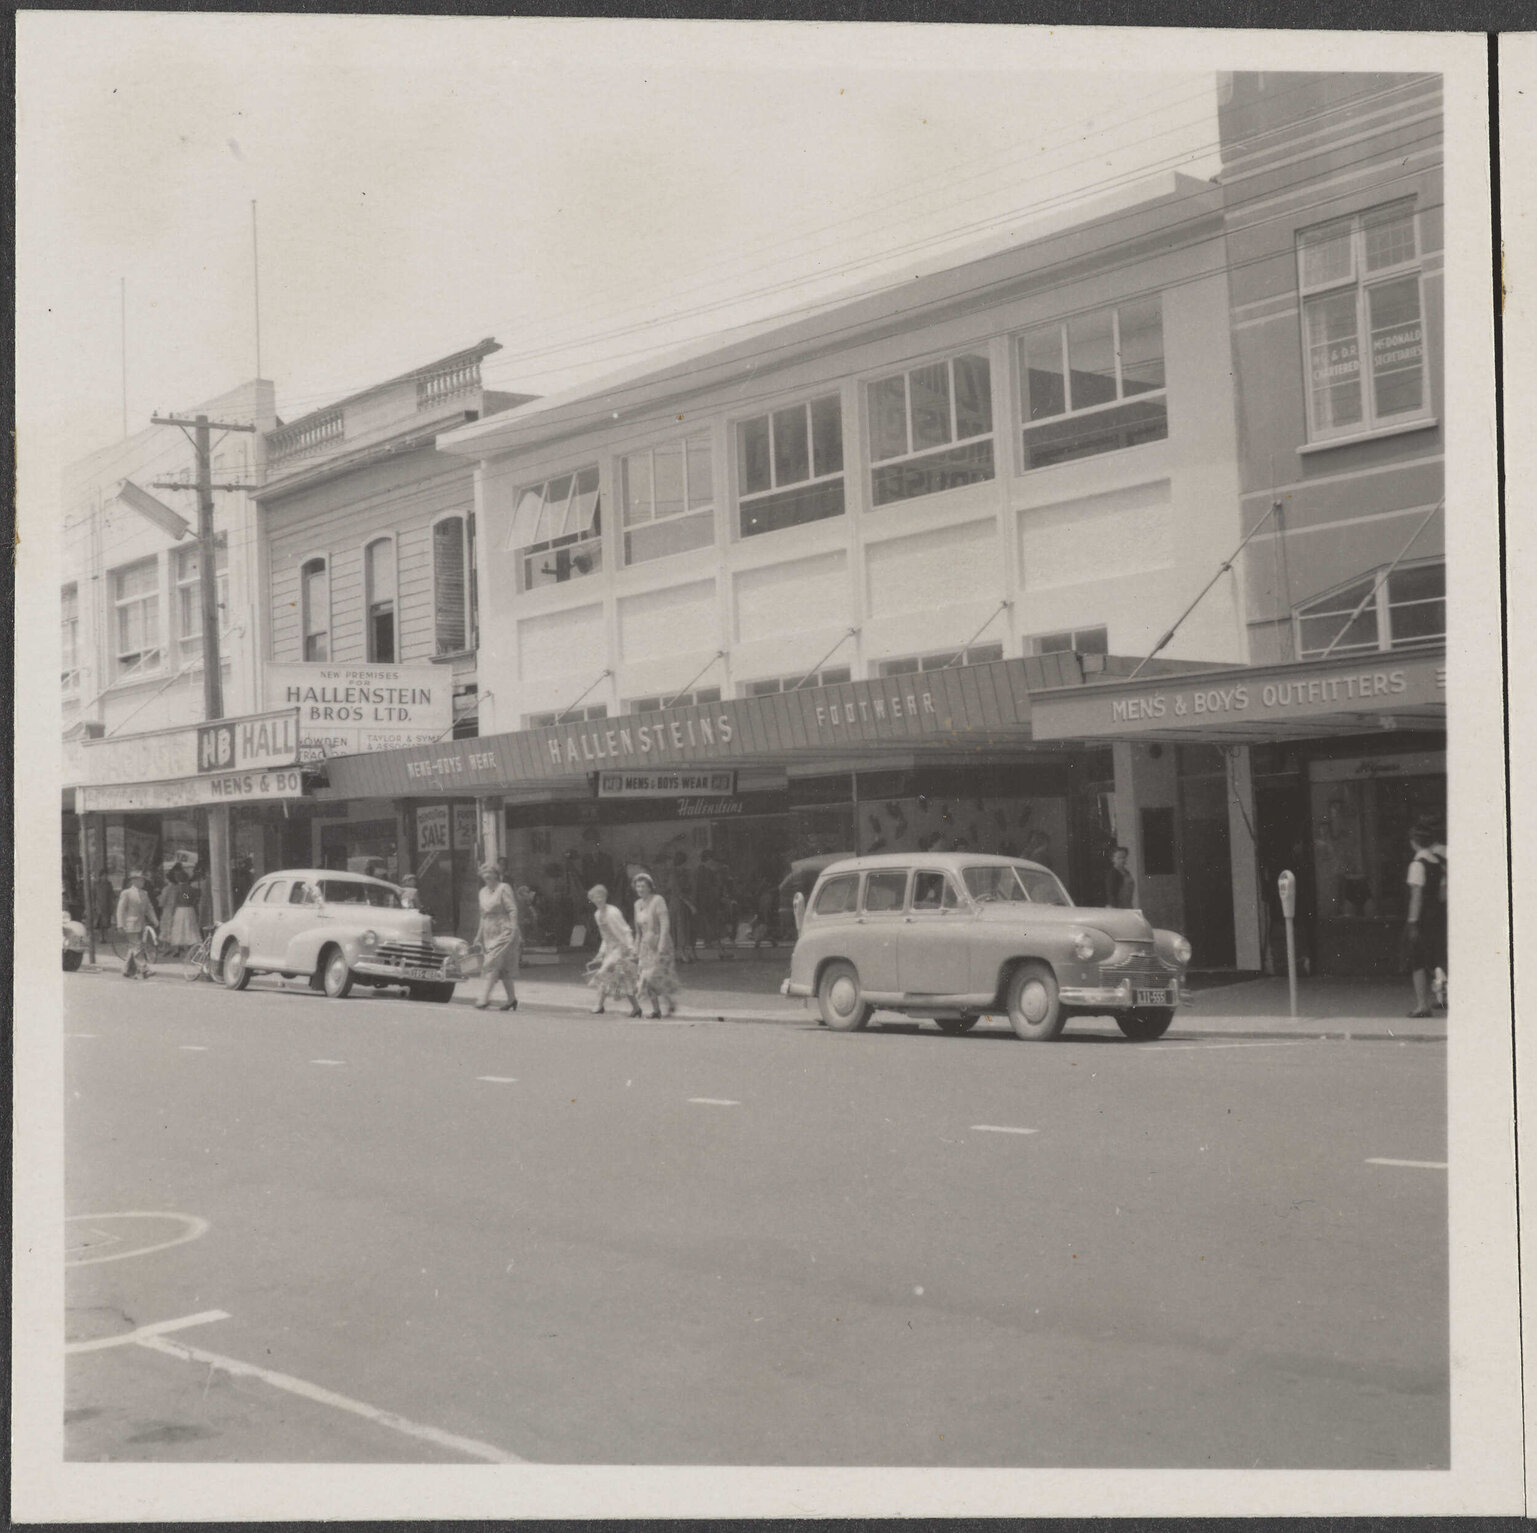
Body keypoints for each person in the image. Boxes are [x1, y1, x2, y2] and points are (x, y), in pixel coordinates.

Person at [1404, 820, 1448, 1018]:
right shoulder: (1438, 862)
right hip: (1438, 914)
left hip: (1422, 917)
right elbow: (1442, 892)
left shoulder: (1417, 864)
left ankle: (1422, 1005)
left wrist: (1412, 921)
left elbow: (1416, 896)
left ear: (1414, 842)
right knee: (1438, 956)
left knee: (1418, 959)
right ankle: (1444, 997)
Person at [471, 862, 520, 1011]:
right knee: (503, 967)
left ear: (496, 874)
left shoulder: (503, 888)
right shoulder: (482, 892)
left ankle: (484, 998)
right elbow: (482, 915)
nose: (487, 875)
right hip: (488, 931)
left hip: (504, 928)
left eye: (490, 872)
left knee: (491, 963)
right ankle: (512, 999)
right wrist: (478, 936)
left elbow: (512, 910)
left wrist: (513, 929)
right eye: (484, 872)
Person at [585, 884, 641, 1016]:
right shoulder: (597, 914)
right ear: (591, 899)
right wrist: (601, 952)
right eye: (595, 897)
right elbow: (605, 935)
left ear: (605, 897)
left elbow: (625, 930)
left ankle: (599, 1005)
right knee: (621, 978)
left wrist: (631, 948)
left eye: (601, 896)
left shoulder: (613, 912)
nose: (598, 900)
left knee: (604, 973)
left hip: (621, 949)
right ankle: (636, 1008)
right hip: (611, 949)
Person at [632, 870, 680, 1018]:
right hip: (645, 947)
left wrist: (661, 944)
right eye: (638, 886)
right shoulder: (637, 904)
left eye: (643, 886)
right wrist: (636, 946)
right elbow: (638, 930)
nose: (640, 889)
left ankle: (669, 1002)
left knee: (655, 977)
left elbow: (665, 924)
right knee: (647, 979)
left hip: (660, 943)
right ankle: (656, 1010)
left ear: (650, 887)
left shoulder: (658, 900)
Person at [115, 870, 158, 979]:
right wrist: (120, 924)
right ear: (134, 881)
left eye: (143, 879)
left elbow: (149, 908)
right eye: (140, 879)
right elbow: (120, 910)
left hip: (141, 924)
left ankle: (127, 970)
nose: (143, 881)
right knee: (137, 946)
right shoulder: (126, 893)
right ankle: (144, 969)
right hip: (131, 924)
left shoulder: (145, 893)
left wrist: (154, 920)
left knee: (134, 947)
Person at [163, 864, 200, 953]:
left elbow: (183, 898)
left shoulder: (179, 889)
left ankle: (179, 948)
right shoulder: (191, 888)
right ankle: (188, 946)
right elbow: (194, 898)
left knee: (180, 927)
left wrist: (184, 898)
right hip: (190, 909)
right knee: (189, 927)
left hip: (181, 910)